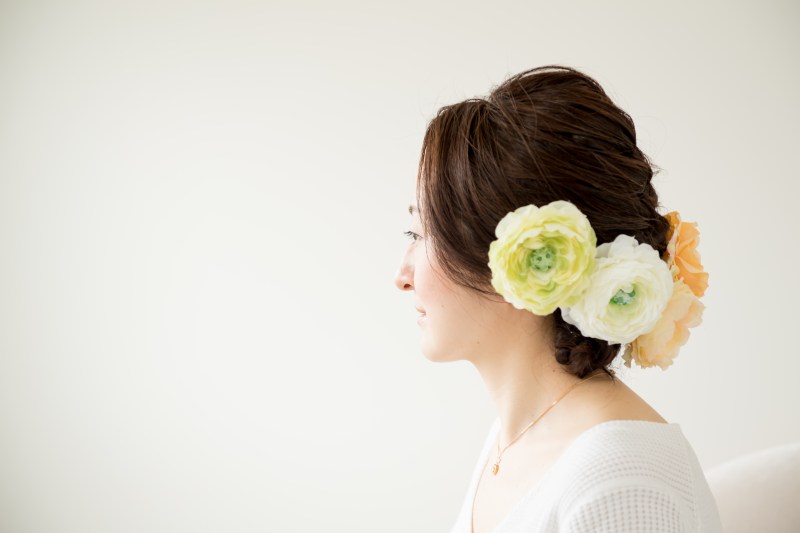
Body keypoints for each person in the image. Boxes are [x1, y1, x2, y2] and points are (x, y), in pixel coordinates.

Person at [394, 66, 723, 533]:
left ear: (518, 260)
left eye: (421, 234)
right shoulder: (517, 438)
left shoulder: (623, 483)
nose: (401, 277)